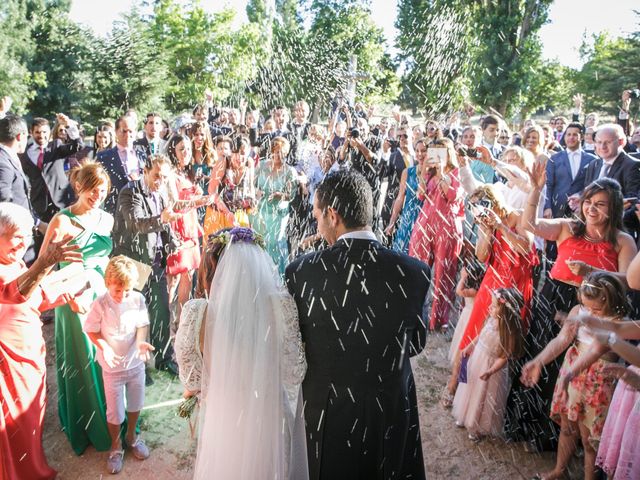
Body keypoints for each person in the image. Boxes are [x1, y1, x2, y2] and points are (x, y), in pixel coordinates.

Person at [286, 170, 430, 480]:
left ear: (333, 215)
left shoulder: (302, 272)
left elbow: (296, 347)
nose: (317, 224)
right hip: (389, 417)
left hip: (328, 419)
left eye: (317, 216)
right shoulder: (414, 272)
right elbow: (416, 343)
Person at [506, 161, 637, 453]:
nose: (591, 208)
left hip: (594, 308)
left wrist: (591, 272)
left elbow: (630, 281)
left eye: (600, 204)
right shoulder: (569, 227)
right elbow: (530, 226)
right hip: (554, 298)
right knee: (541, 355)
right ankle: (527, 427)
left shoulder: (621, 240)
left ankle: (559, 440)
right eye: (589, 201)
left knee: (574, 374)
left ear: (613, 208)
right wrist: (536, 190)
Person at [190, 227, 307, 479]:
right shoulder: (282, 308)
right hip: (270, 414)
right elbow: (295, 372)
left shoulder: (199, 314)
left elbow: (192, 380)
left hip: (226, 414)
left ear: (215, 270)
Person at [0, 202, 82, 480]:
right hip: (7, 365)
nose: (22, 242)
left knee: (31, 418)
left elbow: (33, 297)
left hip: (30, 353)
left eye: (25, 235)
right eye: (14, 236)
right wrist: (45, 261)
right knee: (13, 426)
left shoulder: (15, 261)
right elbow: (14, 293)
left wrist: (68, 289)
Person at [40, 161, 116, 454]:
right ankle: (86, 425)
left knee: (106, 358)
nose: (97, 196)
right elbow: (44, 264)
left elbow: (105, 258)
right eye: (92, 190)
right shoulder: (62, 220)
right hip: (73, 300)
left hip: (102, 295)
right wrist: (56, 297)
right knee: (82, 360)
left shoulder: (107, 219)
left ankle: (112, 417)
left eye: (102, 191)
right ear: (79, 187)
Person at [521, 272, 627, 480]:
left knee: (589, 440)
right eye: (585, 307)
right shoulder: (579, 310)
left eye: (595, 308)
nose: (589, 312)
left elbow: (595, 350)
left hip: (599, 382)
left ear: (609, 299)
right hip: (573, 375)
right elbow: (562, 340)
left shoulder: (617, 321)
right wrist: (539, 361)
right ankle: (559, 470)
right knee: (567, 428)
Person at [442, 184, 535, 407]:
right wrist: (486, 230)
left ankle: (492, 398)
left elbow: (525, 248)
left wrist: (500, 226)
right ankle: (457, 384)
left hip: (516, 289)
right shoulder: (486, 223)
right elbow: (482, 256)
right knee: (471, 338)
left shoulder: (520, 216)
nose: (481, 212)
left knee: (504, 344)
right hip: (491, 285)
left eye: (483, 207)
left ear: (495, 203)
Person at [84, 256, 154, 474]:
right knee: (115, 412)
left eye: (127, 290)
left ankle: (132, 436)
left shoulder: (138, 299)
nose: (123, 296)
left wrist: (142, 341)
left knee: (136, 403)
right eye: (118, 290)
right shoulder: (100, 304)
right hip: (112, 368)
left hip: (135, 363)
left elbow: (142, 324)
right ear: (108, 283)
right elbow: (91, 330)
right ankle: (116, 445)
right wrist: (104, 346)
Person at [113, 155, 181, 376]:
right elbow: (136, 224)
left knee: (162, 312)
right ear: (145, 170)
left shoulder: (159, 192)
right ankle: (135, 364)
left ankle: (164, 359)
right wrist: (162, 219)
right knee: (133, 316)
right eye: (156, 176)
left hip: (156, 263)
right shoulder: (129, 192)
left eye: (163, 177)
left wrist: (172, 242)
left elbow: (164, 224)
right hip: (134, 263)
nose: (160, 181)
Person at [453, 288, 525, 441]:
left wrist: (491, 371)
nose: (490, 308)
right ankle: (464, 415)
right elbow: (480, 336)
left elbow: (504, 357)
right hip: (477, 359)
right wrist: (469, 347)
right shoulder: (491, 320)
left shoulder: (509, 333)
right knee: (470, 389)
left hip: (491, 369)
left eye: (494, 306)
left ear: (506, 311)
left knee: (482, 396)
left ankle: (476, 425)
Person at [408, 137, 465, 330]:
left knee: (443, 274)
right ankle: (413, 312)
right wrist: (425, 171)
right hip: (426, 223)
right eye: (434, 152)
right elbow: (420, 195)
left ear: (448, 153)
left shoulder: (457, 172)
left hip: (447, 226)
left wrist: (441, 172)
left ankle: (438, 320)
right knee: (417, 266)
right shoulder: (429, 172)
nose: (435, 156)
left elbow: (452, 196)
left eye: (440, 152)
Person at [252, 136, 297, 274]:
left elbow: (291, 196)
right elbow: (252, 185)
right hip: (261, 210)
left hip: (278, 212)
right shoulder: (261, 166)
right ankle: (260, 273)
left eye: (282, 152)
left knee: (275, 243)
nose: (279, 155)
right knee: (259, 241)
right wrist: (256, 192)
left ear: (287, 153)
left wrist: (280, 195)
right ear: (271, 151)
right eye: (276, 151)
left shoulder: (290, 171)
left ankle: (278, 275)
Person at [98, 116, 146, 214]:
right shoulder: (104, 157)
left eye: (131, 131)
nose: (128, 135)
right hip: (115, 209)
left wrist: (139, 181)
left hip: (140, 208)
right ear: (116, 131)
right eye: (124, 131)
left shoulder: (143, 154)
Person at [385, 138, 425, 254]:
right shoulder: (407, 172)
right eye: (417, 151)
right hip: (407, 219)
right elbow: (400, 197)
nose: (419, 154)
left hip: (424, 220)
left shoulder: (433, 174)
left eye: (423, 151)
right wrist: (392, 222)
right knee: (401, 256)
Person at [448, 249, 485, 364]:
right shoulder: (478, 289)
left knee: (462, 336)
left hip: (468, 316)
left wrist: (463, 277)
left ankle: (459, 360)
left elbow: (459, 291)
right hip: (469, 314)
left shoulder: (473, 291)